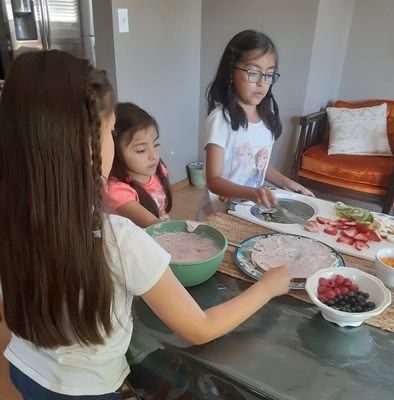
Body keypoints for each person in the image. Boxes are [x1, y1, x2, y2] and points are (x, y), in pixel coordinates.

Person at [0, 50, 292, 399]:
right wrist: (268, 287)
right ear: (89, 148)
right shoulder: (117, 239)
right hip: (89, 390)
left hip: (23, 369)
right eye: (109, 132)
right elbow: (199, 328)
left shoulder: (9, 222)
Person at [197, 29, 314, 220]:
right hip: (219, 216)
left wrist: (286, 182)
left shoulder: (267, 119)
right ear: (230, 73)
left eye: (268, 75)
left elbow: (258, 165)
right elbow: (214, 180)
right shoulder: (220, 120)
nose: (262, 83)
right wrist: (251, 192)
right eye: (253, 72)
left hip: (251, 213)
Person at [103, 102, 171, 228]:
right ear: (117, 153)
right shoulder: (116, 190)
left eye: (156, 145)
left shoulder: (159, 170)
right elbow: (152, 223)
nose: (153, 156)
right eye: (141, 150)